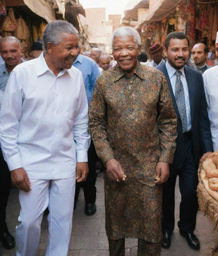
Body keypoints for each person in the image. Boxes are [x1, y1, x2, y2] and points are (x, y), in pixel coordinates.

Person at [0, 20, 90, 256]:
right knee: (29, 222)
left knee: (62, 222)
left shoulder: (77, 76)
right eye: (69, 48)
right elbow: (7, 125)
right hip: (31, 163)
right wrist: (15, 165)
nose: (75, 53)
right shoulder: (22, 74)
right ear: (50, 47)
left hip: (65, 162)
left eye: (76, 47)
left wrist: (82, 158)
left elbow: (81, 120)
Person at [89, 26, 177, 256]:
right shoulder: (104, 82)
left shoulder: (156, 78)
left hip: (150, 168)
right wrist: (107, 160)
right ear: (113, 52)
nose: (124, 53)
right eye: (118, 49)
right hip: (117, 168)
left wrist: (165, 159)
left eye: (129, 47)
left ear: (139, 49)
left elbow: (168, 121)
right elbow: (96, 123)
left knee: (150, 229)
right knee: (116, 228)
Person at [158, 32, 213, 251]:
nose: (180, 54)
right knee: (166, 193)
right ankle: (166, 229)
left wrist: (208, 153)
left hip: (191, 145)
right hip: (165, 149)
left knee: (190, 193)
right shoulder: (155, 76)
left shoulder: (195, 76)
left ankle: (187, 228)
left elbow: (203, 116)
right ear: (166, 51)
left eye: (184, 49)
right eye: (175, 49)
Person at [0, 36, 23, 250]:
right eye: (5, 52)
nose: (9, 55)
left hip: (25, 141)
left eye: (13, 51)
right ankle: (3, 230)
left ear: (21, 49)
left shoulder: (30, 72)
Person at [73, 53, 100, 215]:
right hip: (65, 128)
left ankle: (90, 200)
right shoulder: (56, 62)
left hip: (86, 125)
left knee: (88, 163)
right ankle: (72, 199)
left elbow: (97, 92)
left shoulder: (89, 64)